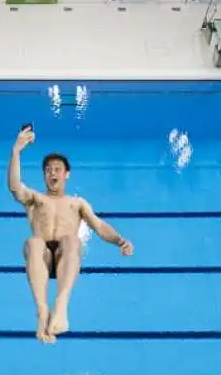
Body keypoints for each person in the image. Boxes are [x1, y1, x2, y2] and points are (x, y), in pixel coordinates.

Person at [7, 126, 134, 343]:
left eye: (57, 169)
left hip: (67, 257)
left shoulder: (77, 203)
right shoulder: (35, 199)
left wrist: (120, 241)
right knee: (34, 242)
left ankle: (61, 305)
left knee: (71, 240)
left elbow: (99, 226)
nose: (52, 173)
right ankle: (42, 311)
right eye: (48, 170)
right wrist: (16, 151)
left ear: (67, 175)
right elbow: (14, 187)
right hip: (42, 260)